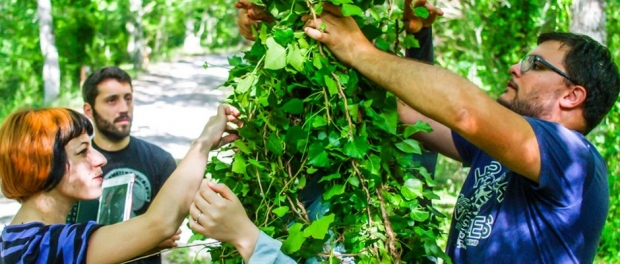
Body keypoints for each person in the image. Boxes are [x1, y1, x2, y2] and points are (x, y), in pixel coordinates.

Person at [300, 3, 619, 263]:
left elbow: (464, 112)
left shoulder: (573, 157)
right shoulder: (497, 149)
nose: (515, 67)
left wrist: (361, 52)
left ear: (572, 96)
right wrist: (421, 37)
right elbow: (410, 114)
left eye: (534, 63)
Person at [185, 0, 443, 262]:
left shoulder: (383, 142)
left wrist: (416, 40)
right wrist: (271, 25)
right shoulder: (284, 156)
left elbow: (423, 116)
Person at [0, 104, 241, 263]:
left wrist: (141, 246)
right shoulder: (44, 245)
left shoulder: (18, 239)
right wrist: (204, 142)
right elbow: (160, 223)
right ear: (41, 164)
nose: (100, 159)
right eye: (83, 151)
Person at [66, 66, 179, 263]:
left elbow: (169, 229)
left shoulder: (160, 161)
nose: (124, 108)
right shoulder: (72, 165)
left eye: (128, 98)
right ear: (88, 110)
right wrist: (147, 239)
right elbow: (65, 238)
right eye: (112, 100)